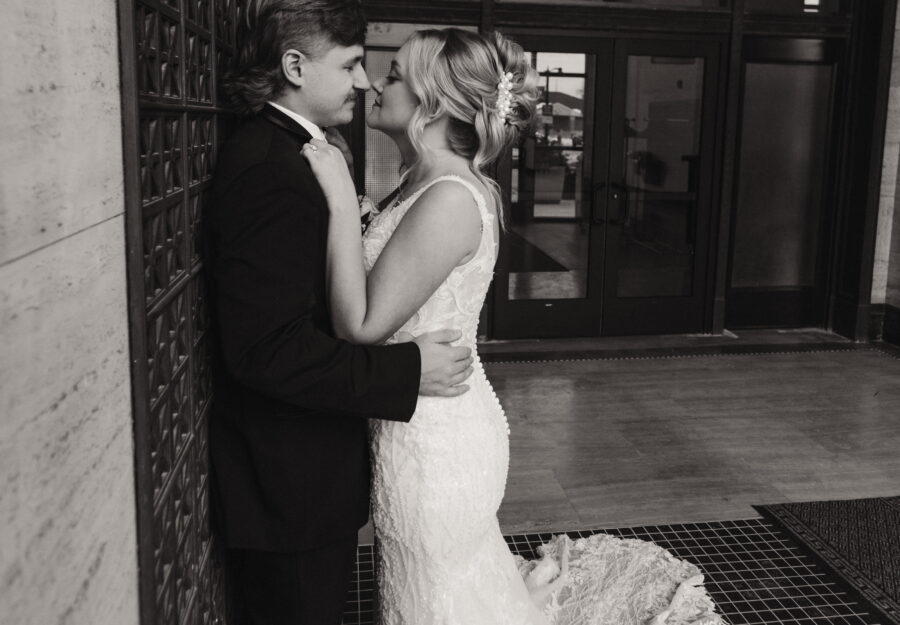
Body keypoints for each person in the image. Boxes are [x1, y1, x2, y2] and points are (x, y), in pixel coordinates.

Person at [303, 28, 725, 625]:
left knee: (433, 593)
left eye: (393, 74)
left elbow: (361, 323)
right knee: (430, 585)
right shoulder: (419, 184)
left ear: (435, 101)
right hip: (418, 412)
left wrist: (342, 206)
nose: (374, 82)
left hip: (435, 436)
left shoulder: (449, 197)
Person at [203, 2, 475, 624]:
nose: (364, 80)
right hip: (286, 488)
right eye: (352, 63)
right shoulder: (271, 168)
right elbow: (266, 351)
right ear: (295, 67)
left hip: (307, 478)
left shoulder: (300, 155)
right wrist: (406, 373)